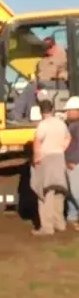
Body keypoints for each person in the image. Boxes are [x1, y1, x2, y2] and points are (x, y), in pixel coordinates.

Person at [30, 98, 71, 236]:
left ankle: (47, 228)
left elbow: (37, 141)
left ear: (41, 112)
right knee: (59, 192)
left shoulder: (43, 125)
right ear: (53, 110)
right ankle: (59, 224)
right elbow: (68, 138)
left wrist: (36, 158)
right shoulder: (61, 124)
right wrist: (61, 149)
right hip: (59, 158)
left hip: (47, 159)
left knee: (46, 193)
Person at [11, 36, 69, 120]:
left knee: (31, 87)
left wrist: (59, 76)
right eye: (45, 48)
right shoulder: (43, 59)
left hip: (57, 83)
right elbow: (39, 72)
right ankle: (26, 115)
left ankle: (17, 114)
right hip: (43, 83)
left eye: (49, 48)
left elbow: (65, 71)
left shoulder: (62, 56)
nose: (47, 50)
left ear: (54, 46)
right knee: (32, 89)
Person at [65, 97, 79, 230]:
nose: (67, 113)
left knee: (76, 191)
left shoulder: (77, 126)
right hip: (72, 162)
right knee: (70, 191)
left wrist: (73, 160)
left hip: (75, 163)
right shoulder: (72, 125)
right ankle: (71, 216)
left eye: (69, 110)